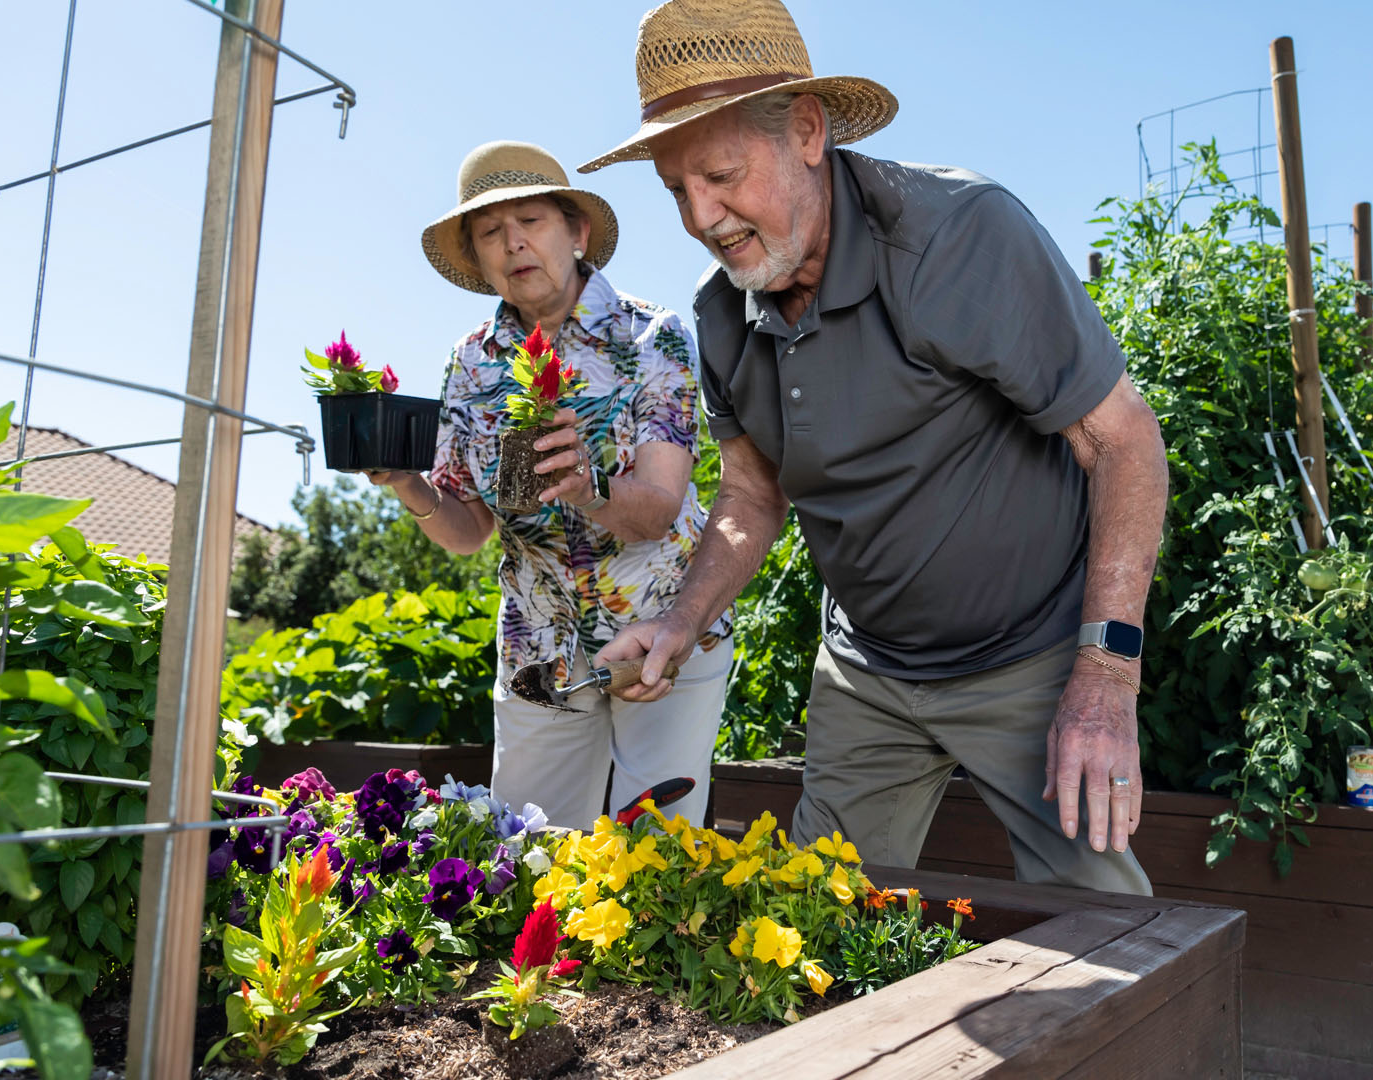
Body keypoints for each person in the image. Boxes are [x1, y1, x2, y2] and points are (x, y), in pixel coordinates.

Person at [585, 0, 1168, 893]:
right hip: (869, 673)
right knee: (814, 924)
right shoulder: (720, 312)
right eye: (675, 190)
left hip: (1033, 659)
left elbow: (1124, 442)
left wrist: (1104, 674)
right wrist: (679, 621)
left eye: (722, 175)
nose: (703, 216)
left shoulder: (959, 236)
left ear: (809, 131)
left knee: (1110, 941)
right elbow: (750, 497)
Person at [368, 140, 734, 830]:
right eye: (489, 233)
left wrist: (587, 486)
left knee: (658, 851)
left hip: (663, 631)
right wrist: (405, 483)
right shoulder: (472, 363)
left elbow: (656, 511)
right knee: (529, 847)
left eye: (531, 221)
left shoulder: (652, 334)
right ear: (476, 260)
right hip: (539, 644)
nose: (513, 244)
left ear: (577, 232)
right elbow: (469, 529)